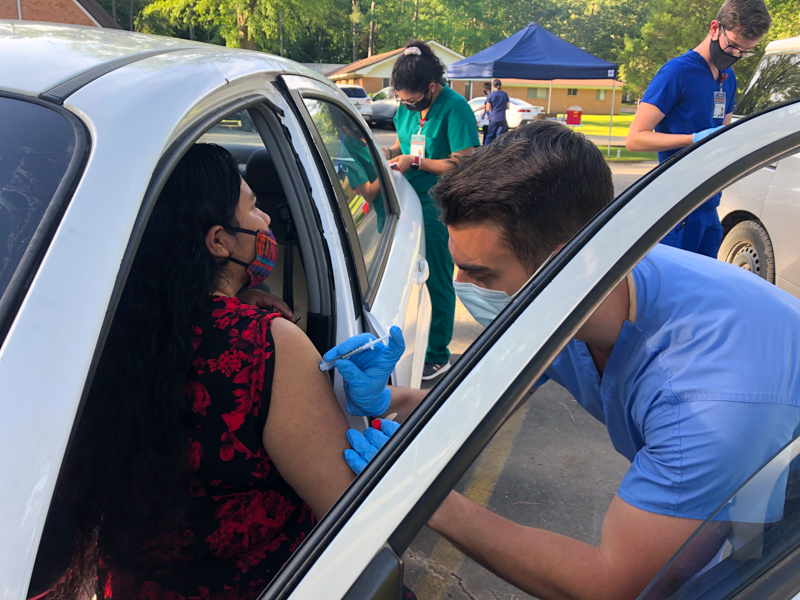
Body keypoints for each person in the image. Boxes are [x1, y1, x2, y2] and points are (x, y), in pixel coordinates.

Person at [328, 121, 800, 599]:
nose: (460, 283)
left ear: (569, 268)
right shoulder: (584, 295)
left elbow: (613, 584)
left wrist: (421, 496)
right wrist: (396, 399)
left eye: (481, 273)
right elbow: (487, 400)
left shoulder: (704, 407)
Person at [54, 144, 359, 599]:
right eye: (254, 208)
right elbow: (349, 511)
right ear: (218, 241)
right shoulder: (265, 343)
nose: (267, 221)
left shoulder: (97, 332)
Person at [626, 0, 771, 258]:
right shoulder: (677, 72)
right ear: (715, 28)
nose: (737, 55)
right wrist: (693, 139)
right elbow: (635, 140)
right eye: (734, 46)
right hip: (677, 206)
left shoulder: (728, 77)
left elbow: (722, 132)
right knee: (674, 290)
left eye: (746, 51)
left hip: (710, 203)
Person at [382, 40, 480, 381]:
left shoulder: (456, 109)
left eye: (411, 100)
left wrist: (418, 161)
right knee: (409, 279)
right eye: (401, 99)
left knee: (437, 279)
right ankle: (413, 342)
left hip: (439, 208)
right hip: (407, 203)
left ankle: (437, 354)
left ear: (432, 88)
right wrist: (388, 153)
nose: (406, 105)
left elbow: (464, 163)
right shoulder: (407, 109)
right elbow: (402, 143)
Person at [484, 78, 510, 145]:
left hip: (493, 118)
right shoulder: (505, 94)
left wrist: (487, 114)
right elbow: (508, 107)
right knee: (500, 137)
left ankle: (484, 151)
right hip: (502, 118)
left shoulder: (490, 95)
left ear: (493, 86)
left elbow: (488, 108)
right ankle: (498, 153)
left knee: (490, 136)